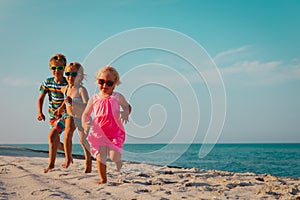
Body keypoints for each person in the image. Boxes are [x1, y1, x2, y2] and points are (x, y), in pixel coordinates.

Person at [82, 66, 131, 184]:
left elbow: (127, 106)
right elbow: (86, 113)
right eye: (101, 82)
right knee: (100, 157)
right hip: (98, 133)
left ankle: (117, 161)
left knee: (114, 156)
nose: (105, 85)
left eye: (109, 83)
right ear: (97, 81)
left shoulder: (117, 97)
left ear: (114, 84)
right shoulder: (94, 98)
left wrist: (126, 112)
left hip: (114, 132)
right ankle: (103, 179)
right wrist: (85, 123)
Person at [37, 53, 68, 173]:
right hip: (52, 116)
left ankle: (51, 164)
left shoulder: (67, 83)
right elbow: (41, 98)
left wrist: (61, 107)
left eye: (60, 68)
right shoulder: (47, 82)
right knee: (55, 139)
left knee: (51, 136)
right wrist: (40, 112)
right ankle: (67, 150)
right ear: (50, 69)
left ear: (64, 68)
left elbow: (69, 98)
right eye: (54, 68)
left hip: (66, 115)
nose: (57, 71)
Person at [60, 62, 92, 173]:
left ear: (80, 77)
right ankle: (68, 158)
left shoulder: (81, 90)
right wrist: (60, 108)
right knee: (67, 134)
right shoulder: (66, 88)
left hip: (82, 118)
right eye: (67, 73)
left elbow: (87, 105)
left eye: (73, 74)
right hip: (70, 115)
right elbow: (65, 100)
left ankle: (88, 161)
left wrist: (72, 103)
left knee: (83, 140)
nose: (70, 77)